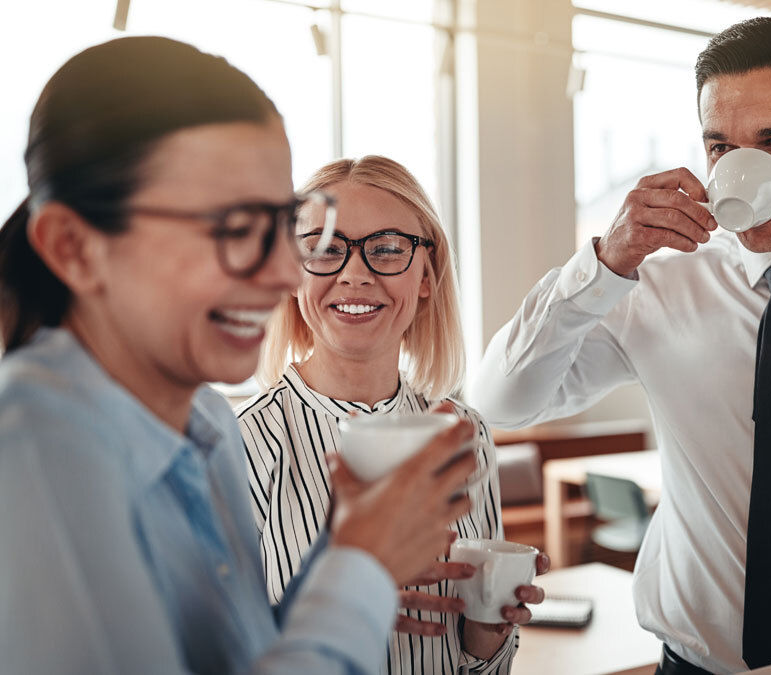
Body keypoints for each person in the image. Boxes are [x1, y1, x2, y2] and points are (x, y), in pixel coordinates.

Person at [0, 36, 478, 674]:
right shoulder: (32, 462)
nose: (287, 275)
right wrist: (359, 570)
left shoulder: (209, 425)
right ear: (76, 248)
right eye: (233, 228)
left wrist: (341, 551)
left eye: (283, 224)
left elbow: (242, 657)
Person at [470, 17, 771, 675]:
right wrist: (602, 264)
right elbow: (500, 399)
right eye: (721, 147)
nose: (744, 168)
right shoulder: (656, 281)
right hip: (689, 665)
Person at [236, 155, 549, 674]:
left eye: (385, 249)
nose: (354, 274)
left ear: (426, 276)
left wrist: (487, 632)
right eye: (323, 249)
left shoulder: (466, 435)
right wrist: (337, 611)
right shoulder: (241, 443)